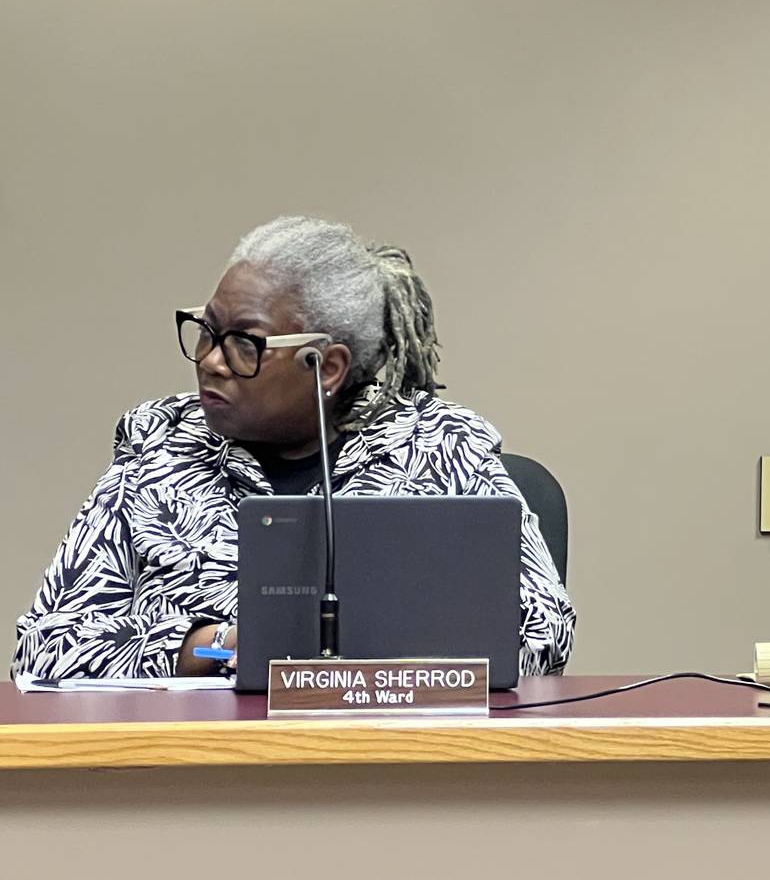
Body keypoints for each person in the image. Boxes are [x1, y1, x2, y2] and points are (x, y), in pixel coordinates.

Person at [13, 217, 574, 679]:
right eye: (205, 331)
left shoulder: (439, 446)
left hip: (395, 769)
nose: (210, 359)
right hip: (190, 773)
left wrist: (347, 650)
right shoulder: (159, 443)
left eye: (244, 344)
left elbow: (542, 634)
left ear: (326, 367)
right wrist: (219, 647)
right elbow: (44, 649)